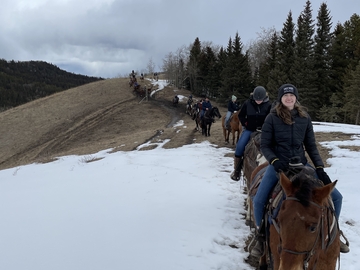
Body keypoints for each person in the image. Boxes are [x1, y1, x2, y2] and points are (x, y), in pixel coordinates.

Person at [251, 83, 350, 257]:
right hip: (278, 165)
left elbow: (311, 145)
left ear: (296, 98)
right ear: (280, 98)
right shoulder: (272, 118)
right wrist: (275, 161)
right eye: (285, 95)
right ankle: (260, 236)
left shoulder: (304, 118)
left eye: (292, 95)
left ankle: (333, 234)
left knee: (337, 197)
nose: (289, 98)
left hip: (302, 165)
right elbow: (265, 145)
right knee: (259, 200)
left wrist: (319, 168)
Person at [230, 86, 271, 181]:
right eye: (256, 99)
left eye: (260, 99)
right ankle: (237, 171)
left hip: (265, 131)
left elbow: (272, 118)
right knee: (240, 146)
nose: (258, 101)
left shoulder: (269, 105)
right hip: (250, 130)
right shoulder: (247, 103)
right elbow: (241, 115)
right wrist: (245, 123)